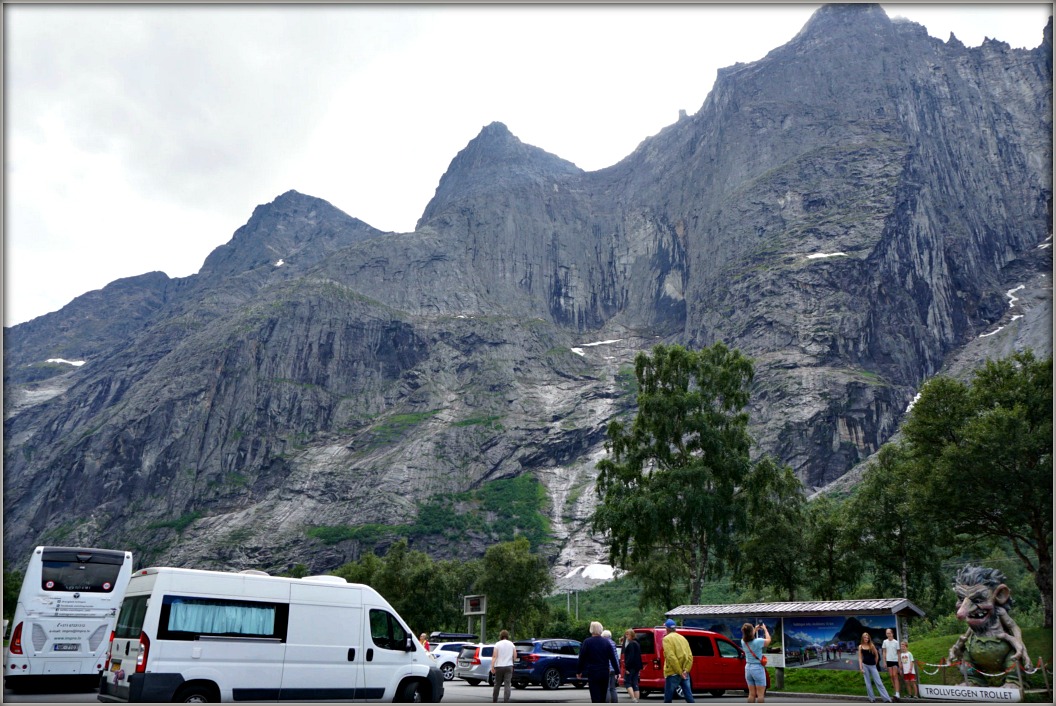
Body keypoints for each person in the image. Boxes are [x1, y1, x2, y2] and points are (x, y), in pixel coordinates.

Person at [578, 621, 621, 703]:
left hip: (593, 672)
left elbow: (582, 657)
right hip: (604, 672)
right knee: (603, 695)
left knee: (595, 695)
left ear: (591, 630)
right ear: (601, 629)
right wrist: (617, 671)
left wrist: (579, 671)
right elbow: (612, 658)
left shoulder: (587, 642)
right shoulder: (606, 642)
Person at [661, 619, 695, 703]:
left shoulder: (666, 639)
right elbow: (690, 656)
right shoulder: (683, 638)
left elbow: (671, 657)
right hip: (685, 671)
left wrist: (679, 672)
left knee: (668, 698)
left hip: (673, 672)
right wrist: (686, 670)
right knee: (688, 695)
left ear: (667, 629)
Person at [740, 622, 771, 703]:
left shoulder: (743, 642)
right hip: (757, 668)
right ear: (751, 631)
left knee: (751, 694)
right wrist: (765, 629)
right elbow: (768, 640)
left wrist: (755, 629)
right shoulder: (758, 642)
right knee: (760, 695)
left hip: (748, 668)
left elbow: (748, 636)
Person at [858, 632, 893, 703]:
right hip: (865, 666)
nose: (866, 639)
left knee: (879, 682)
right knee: (868, 683)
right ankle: (872, 699)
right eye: (865, 637)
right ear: (862, 638)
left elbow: (877, 655)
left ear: (869, 638)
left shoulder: (872, 645)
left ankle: (887, 699)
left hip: (873, 666)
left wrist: (875, 664)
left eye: (867, 637)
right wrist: (861, 668)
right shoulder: (860, 646)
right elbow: (860, 658)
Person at [490, 629, 516, 703]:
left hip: (499, 666)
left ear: (500, 636)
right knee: (507, 684)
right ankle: (506, 701)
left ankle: (495, 700)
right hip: (509, 666)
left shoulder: (497, 644)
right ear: (507, 636)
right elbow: (515, 655)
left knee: (497, 684)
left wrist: (492, 666)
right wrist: (512, 662)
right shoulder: (511, 644)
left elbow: (494, 656)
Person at [622, 629, 642, 703]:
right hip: (637, 666)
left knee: (627, 682)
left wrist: (627, 667)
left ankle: (633, 698)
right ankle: (637, 699)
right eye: (626, 634)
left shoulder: (631, 644)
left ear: (631, 635)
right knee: (635, 682)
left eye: (628, 634)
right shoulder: (637, 643)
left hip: (631, 667)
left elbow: (630, 657)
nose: (626, 636)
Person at [881, 628, 901, 701]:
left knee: (895, 675)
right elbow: (884, 652)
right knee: (891, 676)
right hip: (888, 660)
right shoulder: (885, 642)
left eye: (889, 633)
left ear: (892, 634)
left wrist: (899, 662)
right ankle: (895, 691)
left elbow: (899, 653)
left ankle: (897, 693)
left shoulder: (896, 642)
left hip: (895, 660)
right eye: (887, 633)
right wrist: (884, 661)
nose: (888, 635)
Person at [602, 629, 620, 702]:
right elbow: (615, 656)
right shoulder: (613, 643)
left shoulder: (604, 643)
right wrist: (617, 669)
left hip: (607, 667)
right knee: (613, 688)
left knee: (607, 688)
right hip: (614, 668)